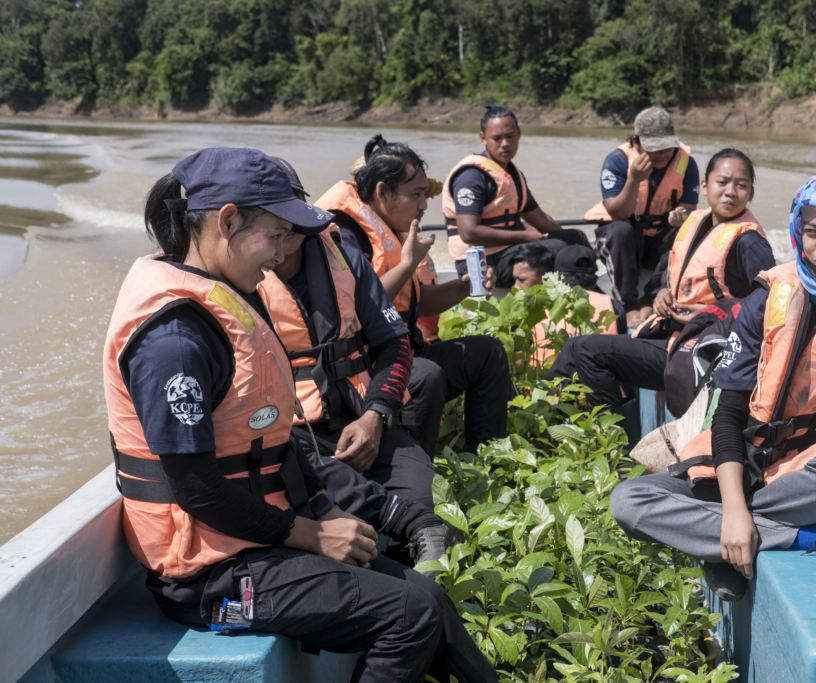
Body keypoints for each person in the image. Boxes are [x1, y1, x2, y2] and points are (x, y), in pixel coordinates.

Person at [104, 147, 497, 682]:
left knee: (426, 595)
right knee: (408, 616)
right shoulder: (175, 339)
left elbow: (269, 440)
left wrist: (322, 509)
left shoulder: (230, 294)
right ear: (228, 221)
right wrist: (311, 535)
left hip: (253, 538)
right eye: (275, 234)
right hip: (208, 576)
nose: (282, 252)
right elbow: (196, 489)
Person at [611, 165, 816, 603]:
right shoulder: (769, 293)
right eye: (811, 231)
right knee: (629, 501)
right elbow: (729, 411)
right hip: (746, 452)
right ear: (798, 229)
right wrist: (734, 513)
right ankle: (807, 536)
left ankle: (713, 541)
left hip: (815, 460)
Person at [260, 157, 438, 518]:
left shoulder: (343, 253)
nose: (286, 222)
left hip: (359, 415)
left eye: (292, 205)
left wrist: (375, 417)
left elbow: (394, 343)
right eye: (271, 213)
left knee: (425, 502)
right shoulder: (227, 281)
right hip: (289, 437)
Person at [316, 136, 511, 458]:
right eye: (416, 195)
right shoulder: (344, 234)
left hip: (404, 349)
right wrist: (407, 264)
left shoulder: (395, 226)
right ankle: (416, 467)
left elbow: (413, 306)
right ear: (382, 192)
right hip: (367, 366)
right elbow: (361, 311)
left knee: (487, 353)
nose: (424, 205)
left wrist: (461, 288)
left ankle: (486, 457)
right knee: (425, 374)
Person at [545, 150, 776, 415]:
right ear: (704, 186)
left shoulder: (749, 242)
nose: (731, 192)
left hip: (700, 352)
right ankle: (538, 416)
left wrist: (708, 313)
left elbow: (769, 306)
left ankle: (612, 440)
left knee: (584, 350)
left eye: (741, 185)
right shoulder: (695, 222)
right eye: (722, 182)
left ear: (751, 193)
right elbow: (669, 279)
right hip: (670, 337)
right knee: (577, 354)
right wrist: (661, 295)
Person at [442, 106, 590, 288]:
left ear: (518, 133)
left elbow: (540, 219)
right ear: (483, 138)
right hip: (480, 262)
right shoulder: (471, 176)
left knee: (576, 238)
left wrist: (571, 244)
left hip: (511, 250)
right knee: (557, 249)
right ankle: (576, 304)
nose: (505, 143)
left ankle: (595, 295)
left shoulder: (513, 175)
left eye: (510, 136)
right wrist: (525, 237)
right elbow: (469, 233)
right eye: (497, 138)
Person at [585, 107, 700, 328]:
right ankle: (628, 305)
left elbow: (688, 208)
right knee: (620, 230)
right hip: (622, 241)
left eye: (667, 146)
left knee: (684, 233)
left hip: (657, 241)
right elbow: (618, 213)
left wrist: (681, 217)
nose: (662, 153)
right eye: (654, 147)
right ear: (636, 142)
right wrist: (634, 180)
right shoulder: (617, 161)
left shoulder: (686, 163)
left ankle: (651, 301)